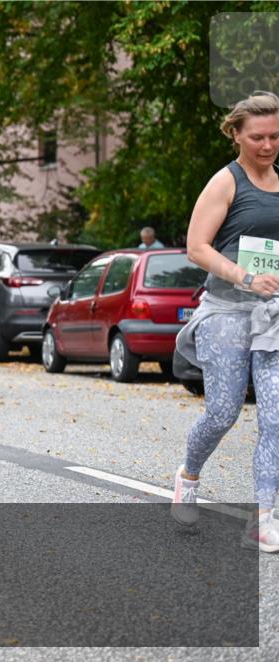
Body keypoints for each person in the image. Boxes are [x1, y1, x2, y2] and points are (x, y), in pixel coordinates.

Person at [171, 91, 279, 552]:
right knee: (222, 413)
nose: (267, 145)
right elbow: (197, 247)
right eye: (257, 137)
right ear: (236, 134)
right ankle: (189, 475)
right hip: (226, 311)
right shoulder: (225, 182)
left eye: (275, 136)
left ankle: (264, 518)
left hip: (272, 316)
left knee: (276, 418)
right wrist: (246, 277)